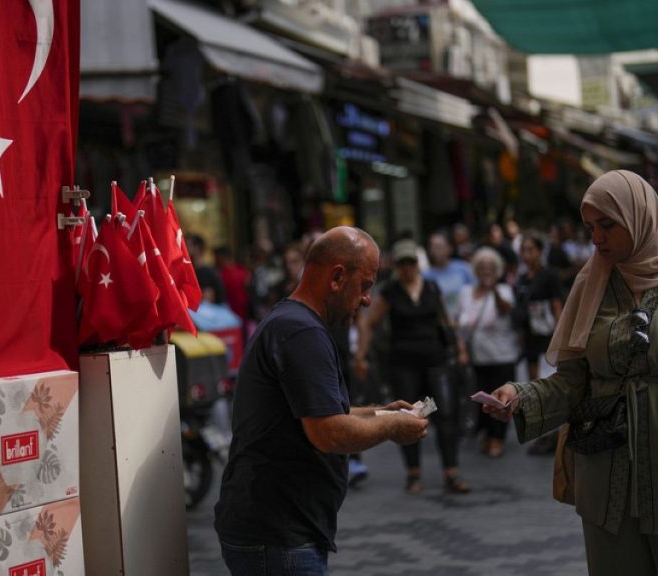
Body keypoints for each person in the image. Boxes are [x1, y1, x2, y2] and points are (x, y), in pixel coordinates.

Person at [485, 170, 658, 575]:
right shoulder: (592, 283)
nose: (597, 238)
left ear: (639, 217)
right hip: (608, 474)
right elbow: (573, 380)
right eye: (589, 228)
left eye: (607, 225)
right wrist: (519, 396)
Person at [214, 227, 429, 575]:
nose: (367, 299)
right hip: (279, 534)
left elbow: (319, 409)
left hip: (275, 527)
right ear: (337, 277)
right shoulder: (302, 331)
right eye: (365, 285)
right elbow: (327, 432)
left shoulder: (294, 322)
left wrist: (381, 412)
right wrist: (392, 427)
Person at [355, 239, 471, 495]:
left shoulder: (431, 287)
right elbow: (369, 323)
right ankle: (413, 473)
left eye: (411, 262)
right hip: (403, 365)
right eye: (402, 263)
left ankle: (451, 471)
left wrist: (459, 348)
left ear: (418, 264)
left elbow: (445, 321)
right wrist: (361, 355)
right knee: (409, 415)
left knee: (444, 413)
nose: (407, 268)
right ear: (396, 266)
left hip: (435, 362)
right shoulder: (391, 292)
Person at [457, 247, 519, 459]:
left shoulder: (504, 290)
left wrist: (493, 291)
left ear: (497, 270)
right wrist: (462, 350)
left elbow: (506, 310)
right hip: (477, 357)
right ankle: (486, 434)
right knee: (481, 400)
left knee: (500, 400)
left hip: (502, 356)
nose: (486, 270)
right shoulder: (466, 292)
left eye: (490, 267)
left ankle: (498, 438)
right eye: (482, 267)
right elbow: (460, 326)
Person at [512, 233, 564, 455]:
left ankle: (554, 434)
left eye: (531, 250)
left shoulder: (549, 276)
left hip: (547, 337)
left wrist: (561, 335)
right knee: (532, 384)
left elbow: (556, 305)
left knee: (547, 383)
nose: (527, 255)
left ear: (540, 251)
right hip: (530, 338)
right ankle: (542, 433)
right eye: (524, 250)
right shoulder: (522, 279)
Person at [422, 230, 476, 319]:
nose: (436, 251)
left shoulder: (464, 269)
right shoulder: (425, 275)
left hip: (465, 320)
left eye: (439, 246)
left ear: (449, 248)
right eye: (433, 247)